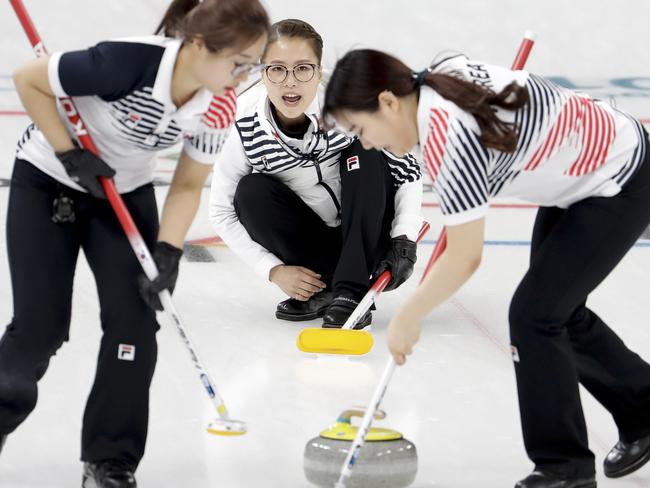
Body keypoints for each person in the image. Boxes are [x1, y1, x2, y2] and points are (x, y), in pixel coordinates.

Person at [322, 49, 650, 488]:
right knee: (556, 312)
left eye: (360, 129)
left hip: (617, 177)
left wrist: (410, 315)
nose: (363, 143)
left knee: (536, 317)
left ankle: (564, 468)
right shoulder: (438, 76)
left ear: (387, 102)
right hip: (579, 174)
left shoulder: (448, 136)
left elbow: (466, 255)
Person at [1, 0, 268, 486]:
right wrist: (70, 153)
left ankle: (109, 460)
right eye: (239, 64)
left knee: (135, 325)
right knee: (41, 328)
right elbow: (28, 79)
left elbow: (187, 185)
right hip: (48, 181)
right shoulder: (126, 62)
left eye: (253, 66)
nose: (244, 77)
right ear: (200, 45)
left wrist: (167, 249)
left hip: (122, 192)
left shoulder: (220, 102)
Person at [209, 19, 423, 328]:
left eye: (303, 68)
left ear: (320, 72)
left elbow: (406, 167)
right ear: (262, 72)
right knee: (250, 191)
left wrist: (405, 239)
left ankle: (350, 294)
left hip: (368, 235)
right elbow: (220, 211)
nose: (290, 82)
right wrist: (272, 270)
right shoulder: (242, 124)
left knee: (364, 150)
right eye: (277, 69)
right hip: (312, 250)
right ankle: (328, 287)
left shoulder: (350, 102)